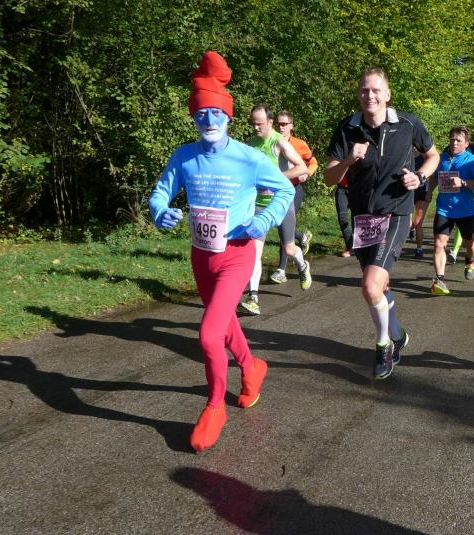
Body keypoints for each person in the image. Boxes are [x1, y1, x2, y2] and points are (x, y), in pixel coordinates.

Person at [148, 51, 294, 452]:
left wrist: (263, 220)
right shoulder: (184, 156)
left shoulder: (248, 158)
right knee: (225, 321)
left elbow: (284, 189)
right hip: (202, 256)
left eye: (216, 113)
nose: (209, 120)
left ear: (228, 116)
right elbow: (160, 193)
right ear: (194, 118)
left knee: (210, 333)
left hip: (237, 254)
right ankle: (252, 366)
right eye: (201, 115)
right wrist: (160, 211)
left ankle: (215, 406)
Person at [324, 67, 439, 380]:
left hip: (396, 213)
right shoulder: (348, 127)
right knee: (380, 288)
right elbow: (329, 177)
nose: (370, 96)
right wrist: (348, 159)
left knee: (370, 285)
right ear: (358, 94)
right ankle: (398, 334)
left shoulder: (408, 123)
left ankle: (383, 345)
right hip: (364, 218)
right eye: (364, 90)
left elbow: (433, 155)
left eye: (376, 90)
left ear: (387, 94)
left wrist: (421, 176)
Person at [239, 104, 312, 316]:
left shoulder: (278, 142)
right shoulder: (250, 144)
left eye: (259, 124)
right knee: (255, 252)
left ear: (270, 122)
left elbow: (302, 167)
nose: (255, 128)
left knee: (288, 248)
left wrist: (275, 180)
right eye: (253, 123)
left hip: (281, 202)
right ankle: (253, 297)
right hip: (258, 204)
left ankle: (302, 265)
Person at [428, 125, 474, 295]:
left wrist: (464, 182)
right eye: (452, 139)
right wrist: (429, 192)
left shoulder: (472, 161)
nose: (454, 143)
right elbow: (435, 177)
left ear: (466, 143)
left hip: (464, 211)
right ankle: (439, 280)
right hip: (444, 209)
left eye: (458, 140)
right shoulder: (442, 158)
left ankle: (470, 260)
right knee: (439, 244)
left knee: (470, 245)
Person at [269, 110, 318, 284]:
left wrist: (307, 173)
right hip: (276, 191)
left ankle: (281, 270)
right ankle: (302, 236)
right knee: (279, 225)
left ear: (291, 126)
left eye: (284, 124)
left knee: (283, 228)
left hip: (294, 190)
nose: (281, 127)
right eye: (279, 124)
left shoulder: (299, 144)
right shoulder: (271, 141)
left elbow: (313, 162)